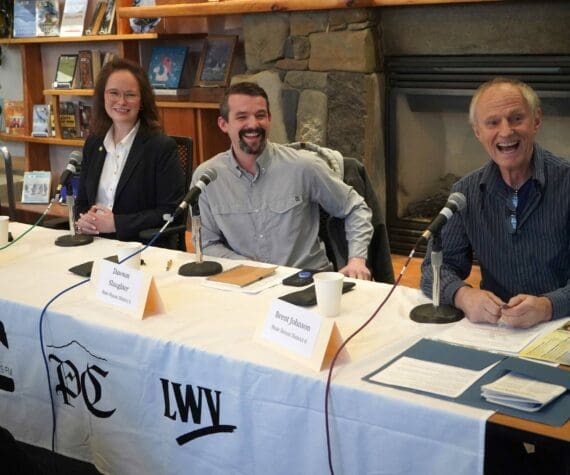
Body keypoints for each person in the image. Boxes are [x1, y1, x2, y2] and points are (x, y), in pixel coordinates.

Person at [420, 78, 570, 328]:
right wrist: (463, 295)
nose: (506, 131)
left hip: (560, 323)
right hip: (496, 329)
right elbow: (433, 270)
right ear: (478, 131)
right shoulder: (465, 192)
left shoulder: (566, 181)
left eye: (516, 119)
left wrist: (548, 306)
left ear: (536, 121)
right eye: (492, 123)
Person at [190, 81, 374, 280]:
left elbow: (355, 207)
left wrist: (357, 259)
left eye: (260, 115)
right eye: (242, 117)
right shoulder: (207, 178)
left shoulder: (304, 166)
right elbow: (207, 244)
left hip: (305, 281)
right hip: (246, 282)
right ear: (223, 124)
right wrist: (253, 269)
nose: (253, 124)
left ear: (269, 119)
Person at [75, 58, 184, 243]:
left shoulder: (161, 147)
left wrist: (116, 223)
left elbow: (171, 212)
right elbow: (82, 202)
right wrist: (85, 220)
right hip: (94, 242)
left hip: (139, 248)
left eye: (130, 95)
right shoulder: (93, 144)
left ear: (142, 101)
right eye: (114, 93)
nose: (121, 101)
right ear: (103, 97)